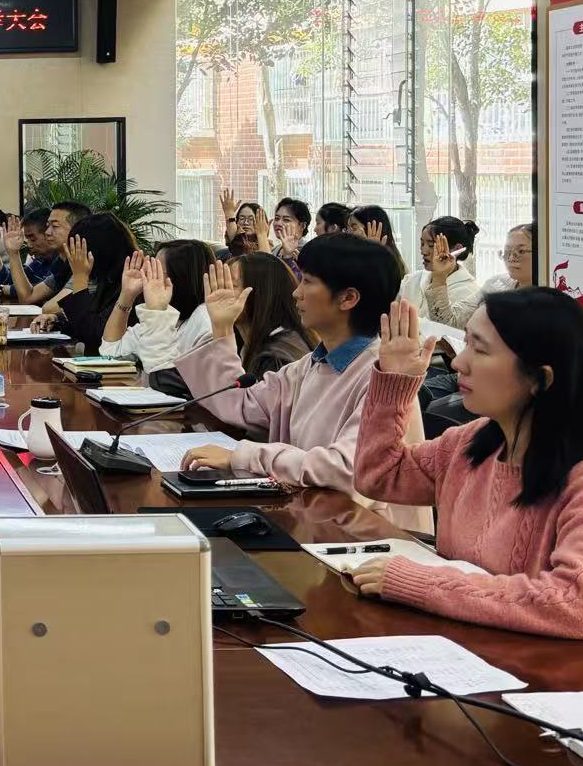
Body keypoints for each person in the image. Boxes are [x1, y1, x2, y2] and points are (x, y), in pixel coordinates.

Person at [351, 295, 583, 667]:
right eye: (466, 342)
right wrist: (396, 382)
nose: (458, 362)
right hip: (473, 655)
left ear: (539, 379)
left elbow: (579, 604)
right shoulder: (469, 444)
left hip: (566, 681)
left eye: (480, 349)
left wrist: (422, 584)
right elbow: (378, 476)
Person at [171, 234, 428, 531]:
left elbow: (348, 470)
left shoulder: (385, 377)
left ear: (347, 298)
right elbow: (240, 403)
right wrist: (222, 328)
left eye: (307, 281)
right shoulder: (310, 365)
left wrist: (243, 456)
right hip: (319, 523)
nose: (296, 293)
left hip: (373, 537)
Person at [97, 240, 215, 373]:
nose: (147, 276)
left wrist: (157, 313)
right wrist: (127, 295)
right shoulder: (162, 314)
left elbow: (165, 377)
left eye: (156, 271)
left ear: (180, 277)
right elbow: (111, 352)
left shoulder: (204, 319)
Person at [40, 212, 137, 350]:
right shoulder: (108, 276)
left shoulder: (132, 281)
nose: (73, 258)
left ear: (95, 250)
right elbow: (91, 317)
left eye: (78, 251)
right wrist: (57, 321)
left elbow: (94, 336)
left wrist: (80, 278)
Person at [229, 252, 316, 379]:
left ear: (261, 294)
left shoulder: (276, 359)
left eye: (232, 285)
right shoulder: (247, 343)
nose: (219, 292)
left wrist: (221, 331)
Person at [399, 215, 483, 328]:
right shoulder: (412, 280)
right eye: (422, 244)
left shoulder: (469, 293)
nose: (424, 251)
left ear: (457, 249)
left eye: (431, 245)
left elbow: (446, 331)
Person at [0, 208, 65, 302]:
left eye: (33, 239)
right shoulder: (40, 261)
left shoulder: (64, 263)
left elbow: (33, 292)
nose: (29, 245)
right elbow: (8, 281)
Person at [347, 204, 406, 279]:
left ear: (373, 229)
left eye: (354, 228)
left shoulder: (387, 263)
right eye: (347, 228)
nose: (347, 233)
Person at [481, 222, 537, 293]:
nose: (511, 258)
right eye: (507, 251)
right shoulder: (495, 284)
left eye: (521, 251)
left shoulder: (548, 295)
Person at [272, 197, 310, 274]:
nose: (278, 223)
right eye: (277, 218)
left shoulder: (307, 251)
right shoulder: (276, 249)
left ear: (302, 226)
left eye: (286, 220)